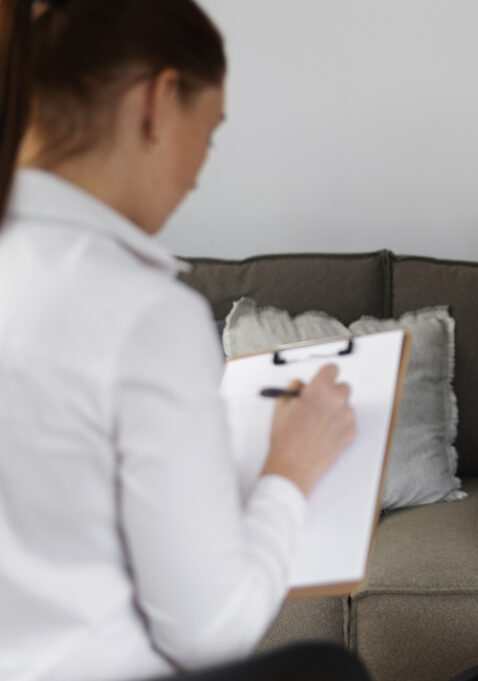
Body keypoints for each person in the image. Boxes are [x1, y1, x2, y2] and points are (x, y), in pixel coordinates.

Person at [0, 1, 365, 679]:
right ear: (161, 101)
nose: (200, 170)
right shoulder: (141, 315)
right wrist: (291, 468)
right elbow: (211, 632)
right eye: (211, 132)